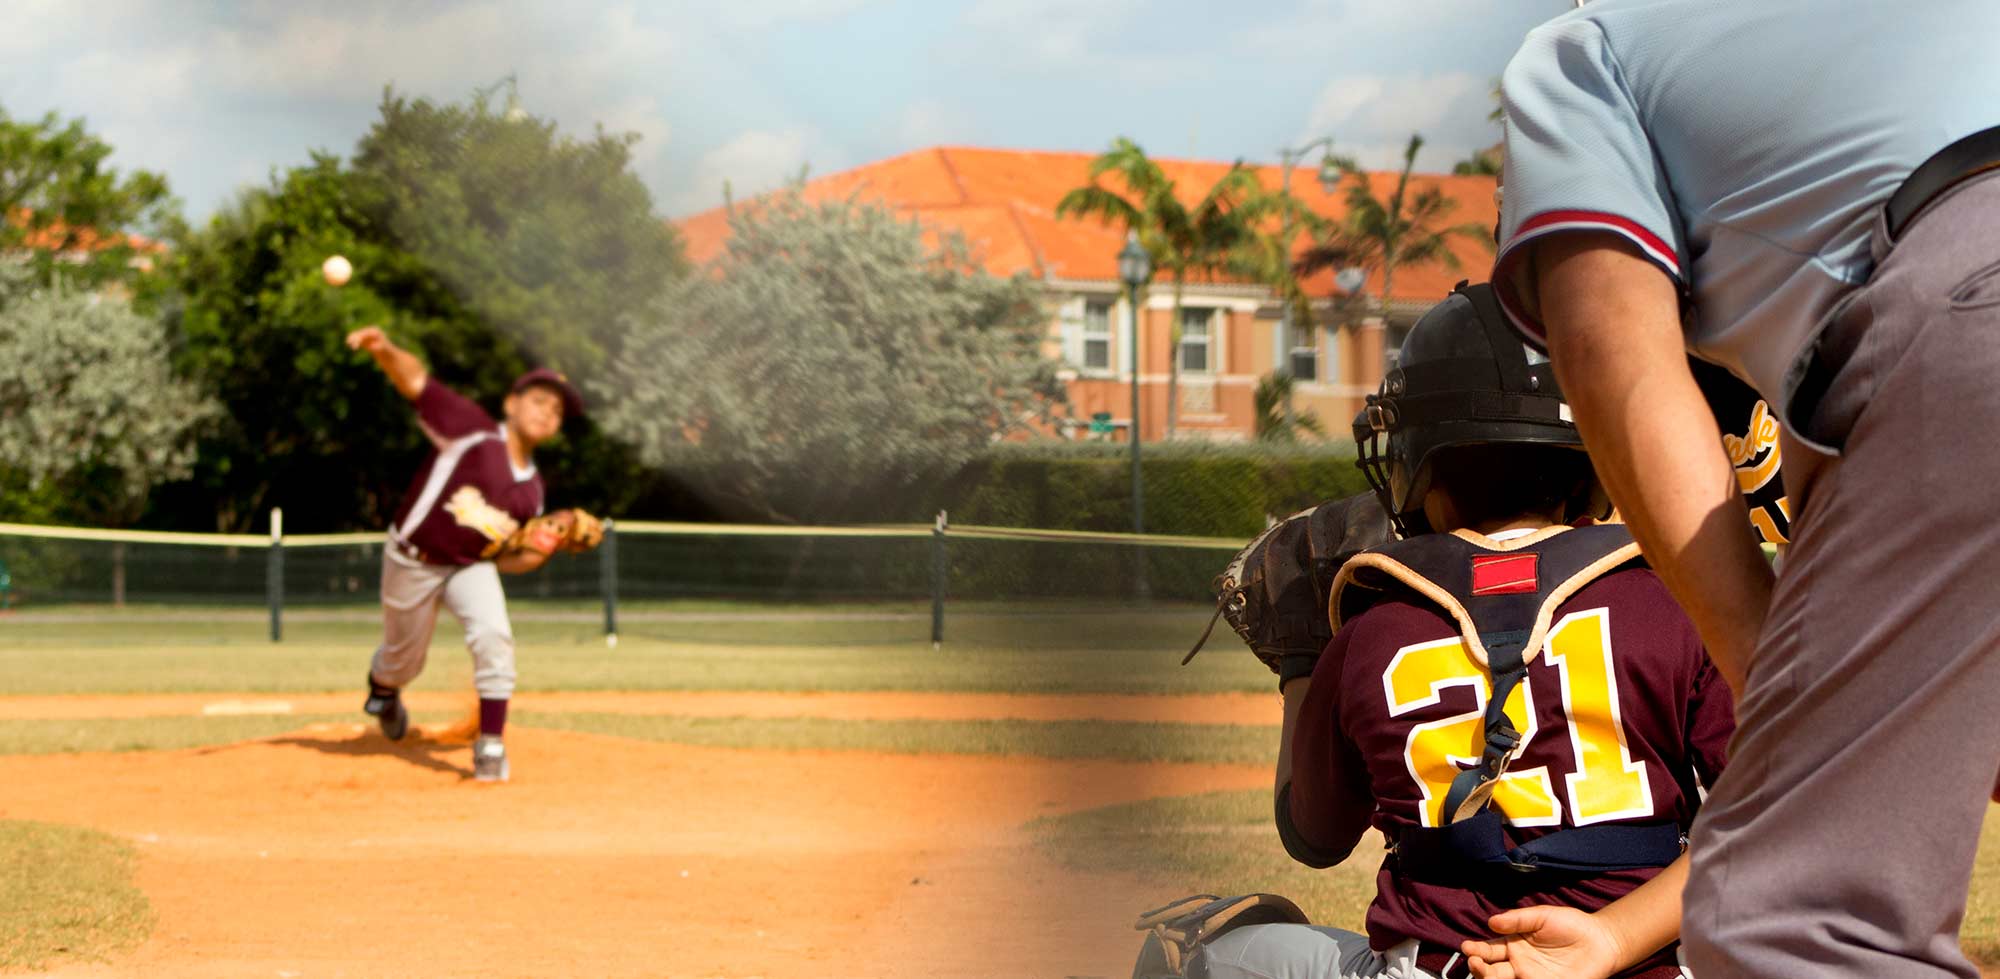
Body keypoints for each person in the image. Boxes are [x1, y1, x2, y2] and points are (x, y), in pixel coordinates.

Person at [1488, 2, 2000, 975]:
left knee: (1790, 919)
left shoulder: (1580, 48)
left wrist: (1766, 671)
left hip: (1966, 283)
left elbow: (1615, 362)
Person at [1187, 283, 1734, 979]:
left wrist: (1303, 663)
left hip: (1437, 968)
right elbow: (1779, 820)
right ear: (1586, 457)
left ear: (1422, 468)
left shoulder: (1371, 625)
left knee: (1203, 951)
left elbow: (1312, 836)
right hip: (1641, 965)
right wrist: (1618, 936)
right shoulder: (1673, 599)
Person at [346, 324, 597, 783]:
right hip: (412, 560)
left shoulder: (532, 493)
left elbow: (507, 559)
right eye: (539, 400)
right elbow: (417, 382)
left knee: (494, 636)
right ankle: (384, 688)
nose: (548, 411)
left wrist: (544, 549)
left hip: (468, 566)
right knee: (404, 659)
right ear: (511, 404)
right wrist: (384, 350)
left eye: (557, 409)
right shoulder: (473, 434)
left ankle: (491, 746)